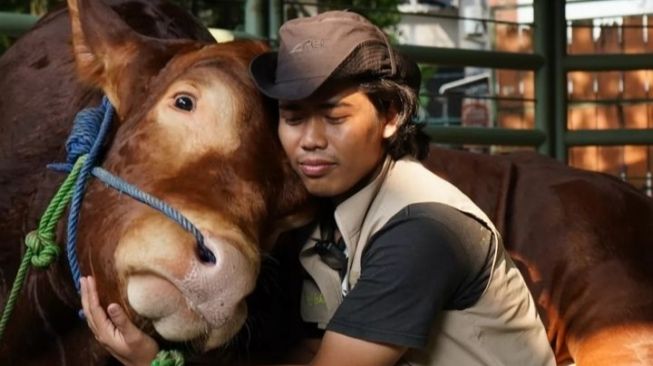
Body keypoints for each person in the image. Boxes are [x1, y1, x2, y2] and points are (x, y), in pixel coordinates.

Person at [80, 10, 556, 366]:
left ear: (391, 117)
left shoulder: (423, 229)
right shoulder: (330, 212)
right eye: (292, 118)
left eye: (335, 117)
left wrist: (155, 364)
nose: (310, 140)